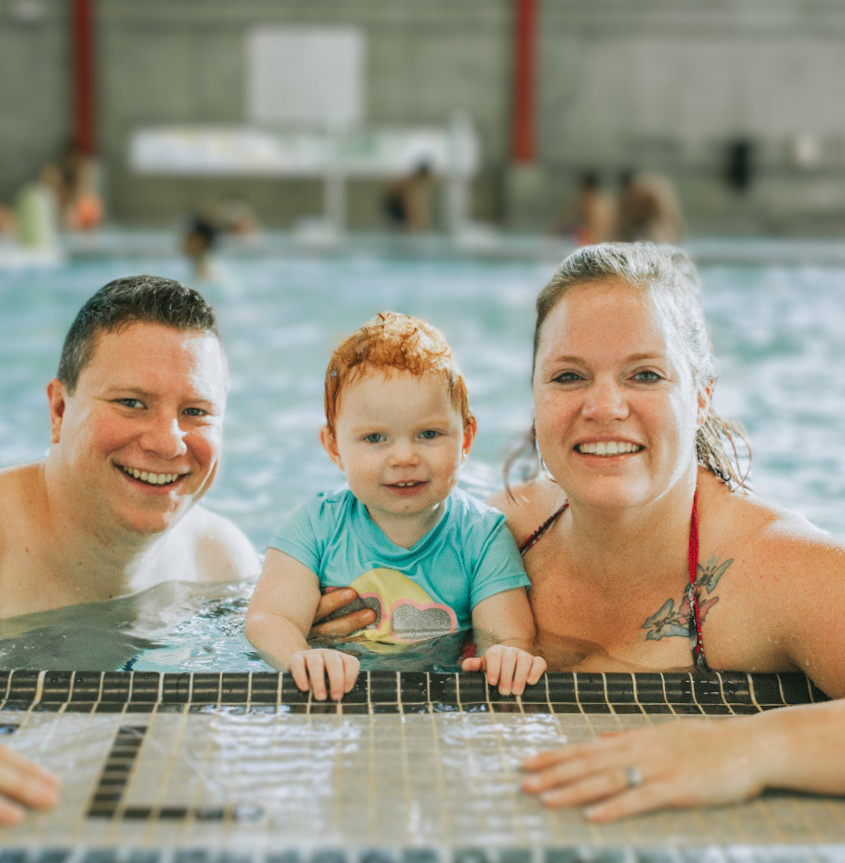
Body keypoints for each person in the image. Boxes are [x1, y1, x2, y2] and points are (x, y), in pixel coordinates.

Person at [312, 243, 845, 819]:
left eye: (645, 374)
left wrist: (741, 749)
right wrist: (328, 627)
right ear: (537, 399)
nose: (605, 406)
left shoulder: (774, 567)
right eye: (569, 376)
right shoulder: (490, 539)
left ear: (701, 399)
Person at [0, 274, 259, 827]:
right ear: (60, 411)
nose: (167, 441)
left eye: (197, 412)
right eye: (132, 403)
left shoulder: (221, 561)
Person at [245, 312, 546, 700]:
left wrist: (507, 657)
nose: (404, 457)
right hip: (336, 697)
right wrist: (301, 658)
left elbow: (508, 635)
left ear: (466, 439)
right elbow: (270, 618)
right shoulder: (315, 525)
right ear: (335, 447)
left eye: (429, 434)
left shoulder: (482, 535)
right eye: (375, 438)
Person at [614, 170, 685, 244]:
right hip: (651, 229)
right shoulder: (627, 198)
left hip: (660, 228)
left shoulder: (649, 193)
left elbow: (667, 216)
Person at [551, 171, 616, 246]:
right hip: (605, 243)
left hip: (591, 243)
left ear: (585, 185)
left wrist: (552, 234)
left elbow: (565, 218)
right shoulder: (604, 200)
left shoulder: (586, 199)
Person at [382, 162, 435, 233]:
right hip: (395, 207)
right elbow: (409, 204)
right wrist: (418, 221)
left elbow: (414, 204)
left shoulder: (412, 181)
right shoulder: (410, 183)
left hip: (396, 206)